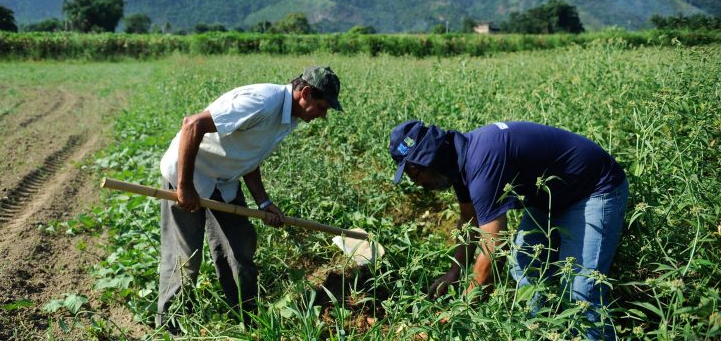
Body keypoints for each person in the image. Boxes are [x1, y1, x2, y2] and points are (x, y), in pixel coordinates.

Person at [388, 120, 628, 340]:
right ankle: (539, 332)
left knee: (580, 290)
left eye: (413, 173)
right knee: (525, 267)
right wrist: (454, 272)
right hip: (549, 197)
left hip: (595, 189)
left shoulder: (482, 161)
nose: (416, 183)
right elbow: (469, 219)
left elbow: (493, 248)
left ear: (430, 158)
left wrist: (463, 308)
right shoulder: (457, 162)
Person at [157, 66, 342, 328]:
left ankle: (247, 319)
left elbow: (250, 155)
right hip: (188, 174)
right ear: (307, 93)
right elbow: (192, 124)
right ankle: (169, 326)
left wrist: (264, 202)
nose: (323, 115)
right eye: (323, 107)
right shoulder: (262, 102)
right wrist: (185, 186)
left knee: (240, 248)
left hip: (224, 181)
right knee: (186, 258)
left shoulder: (288, 118)